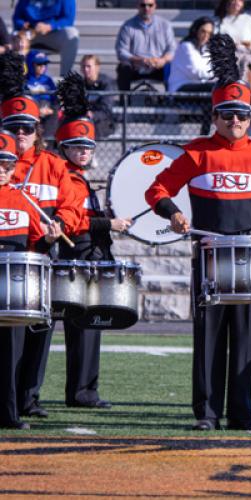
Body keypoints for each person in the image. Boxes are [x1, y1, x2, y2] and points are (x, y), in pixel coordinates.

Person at [145, 34, 251, 431]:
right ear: (214, 116)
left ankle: (242, 412)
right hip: (209, 256)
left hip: (250, 258)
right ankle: (208, 413)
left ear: (250, 117)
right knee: (210, 338)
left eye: (242, 115)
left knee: (247, 339)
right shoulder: (197, 152)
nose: (235, 121)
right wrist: (175, 214)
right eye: (227, 114)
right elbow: (156, 190)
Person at [0, 51, 80, 420]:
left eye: (27, 127)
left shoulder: (53, 166)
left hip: (42, 257)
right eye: (13, 126)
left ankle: (28, 397)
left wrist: (60, 224)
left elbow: (72, 205)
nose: (20, 134)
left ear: (38, 130)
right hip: (7, 260)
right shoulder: (3, 168)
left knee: (39, 330)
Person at [55, 72, 131, 409]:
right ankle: (81, 392)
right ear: (63, 147)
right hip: (78, 259)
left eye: (88, 146)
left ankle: (85, 390)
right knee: (83, 329)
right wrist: (107, 222)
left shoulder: (84, 181)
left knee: (92, 328)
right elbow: (73, 222)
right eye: (77, 146)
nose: (84, 152)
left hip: (93, 258)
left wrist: (109, 219)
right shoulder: (66, 179)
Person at [0, 130, 62, 430]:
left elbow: (36, 247)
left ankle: (8, 414)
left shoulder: (25, 199)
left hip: (11, 289)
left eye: (8, 164)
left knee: (12, 353)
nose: (3, 169)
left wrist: (49, 240)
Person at [115, 0, 177, 91]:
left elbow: (172, 49)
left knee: (171, 68)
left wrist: (162, 60)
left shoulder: (165, 25)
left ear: (155, 6)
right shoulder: (127, 26)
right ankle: (124, 101)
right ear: (138, 6)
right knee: (123, 67)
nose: (146, 8)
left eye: (150, 5)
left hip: (158, 67)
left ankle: (170, 100)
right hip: (135, 67)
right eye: (143, 5)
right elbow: (121, 50)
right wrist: (138, 60)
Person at [12, 0, 79, 76]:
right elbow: (16, 17)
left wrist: (50, 26)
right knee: (14, 36)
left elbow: (68, 19)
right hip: (30, 33)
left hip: (53, 33)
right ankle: (16, 75)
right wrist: (23, 24)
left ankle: (65, 76)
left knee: (72, 33)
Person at [215, 0, 251, 93]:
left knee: (246, 62)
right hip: (226, 57)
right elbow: (216, 43)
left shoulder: (249, 20)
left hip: (246, 56)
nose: (236, 2)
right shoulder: (219, 22)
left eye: (239, 0)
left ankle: (243, 90)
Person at [80, 55, 117, 139]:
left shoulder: (106, 83)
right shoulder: (80, 84)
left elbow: (106, 108)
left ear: (97, 67)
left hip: (102, 121)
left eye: (89, 66)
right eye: (83, 66)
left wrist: (92, 114)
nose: (86, 69)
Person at [25, 50, 58, 137]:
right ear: (31, 64)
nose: (42, 66)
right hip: (31, 113)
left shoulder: (48, 80)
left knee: (54, 115)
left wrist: (51, 109)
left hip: (47, 112)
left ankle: (47, 142)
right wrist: (37, 111)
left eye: (44, 64)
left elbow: (55, 100)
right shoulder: (24, 80)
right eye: (39, 64)